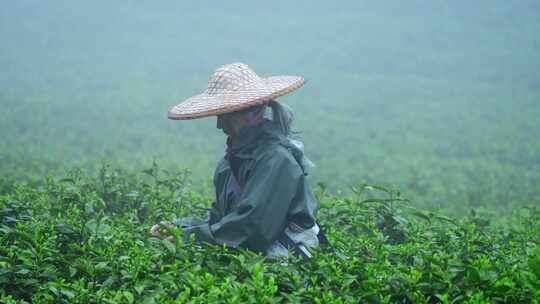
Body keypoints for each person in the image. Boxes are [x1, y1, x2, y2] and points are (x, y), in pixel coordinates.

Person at [150, 63, 324, 258]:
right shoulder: (229, 164)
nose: (219, 125)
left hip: (288, 260)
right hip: (253, 257)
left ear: (255, 113)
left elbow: (253, 227)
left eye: (226, 116)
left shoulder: (275, 160)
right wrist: (179, 227)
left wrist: (188, 236)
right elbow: (221, 219)